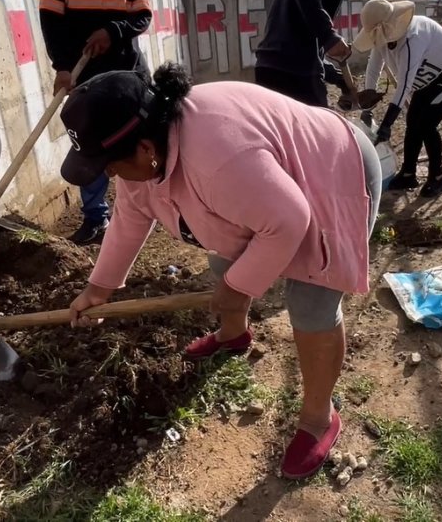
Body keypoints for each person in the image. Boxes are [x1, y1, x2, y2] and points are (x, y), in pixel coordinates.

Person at [59, 63, 382, 480]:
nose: (107, 173)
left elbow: (287, 221)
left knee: (311, 300)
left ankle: (320, 418)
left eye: (108, 163)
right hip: (270, 185)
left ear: (143, 149)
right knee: (222, 257)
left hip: (334, 166)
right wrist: (98, 289)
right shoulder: (146, 150)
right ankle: (234, 334)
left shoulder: (216, 159)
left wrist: (238, 287)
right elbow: (130, 217)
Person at [39, 0, 152, 245]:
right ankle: (97, 217)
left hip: (129, 75)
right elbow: (51, 19)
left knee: (143, 139)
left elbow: (143, 15)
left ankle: (150, 207)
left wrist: (113, 31)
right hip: (87, 74)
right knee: (90, 144)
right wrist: (62, 67)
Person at [353, 0, 442, 199]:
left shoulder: (413, 38)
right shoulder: (382, 37)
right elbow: (373, 68)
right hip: (425, 81)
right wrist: (368, 102)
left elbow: (405, 85)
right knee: (413, 122)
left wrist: (387, 124)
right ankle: (408, 173)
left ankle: (438, 176)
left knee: (426, 124)